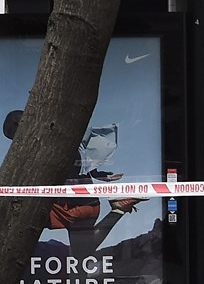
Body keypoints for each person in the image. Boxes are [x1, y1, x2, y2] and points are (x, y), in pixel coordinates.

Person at [3, 109, 146, 263]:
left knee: (23, 218)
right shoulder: (60, 139)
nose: (16, 144)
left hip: (69, 207)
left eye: (14, 138)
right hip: (88, 205)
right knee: (82, 252)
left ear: (21, 128)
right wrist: (102, 175)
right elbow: (80, 165)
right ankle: (119, 209)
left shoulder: (42, 148)